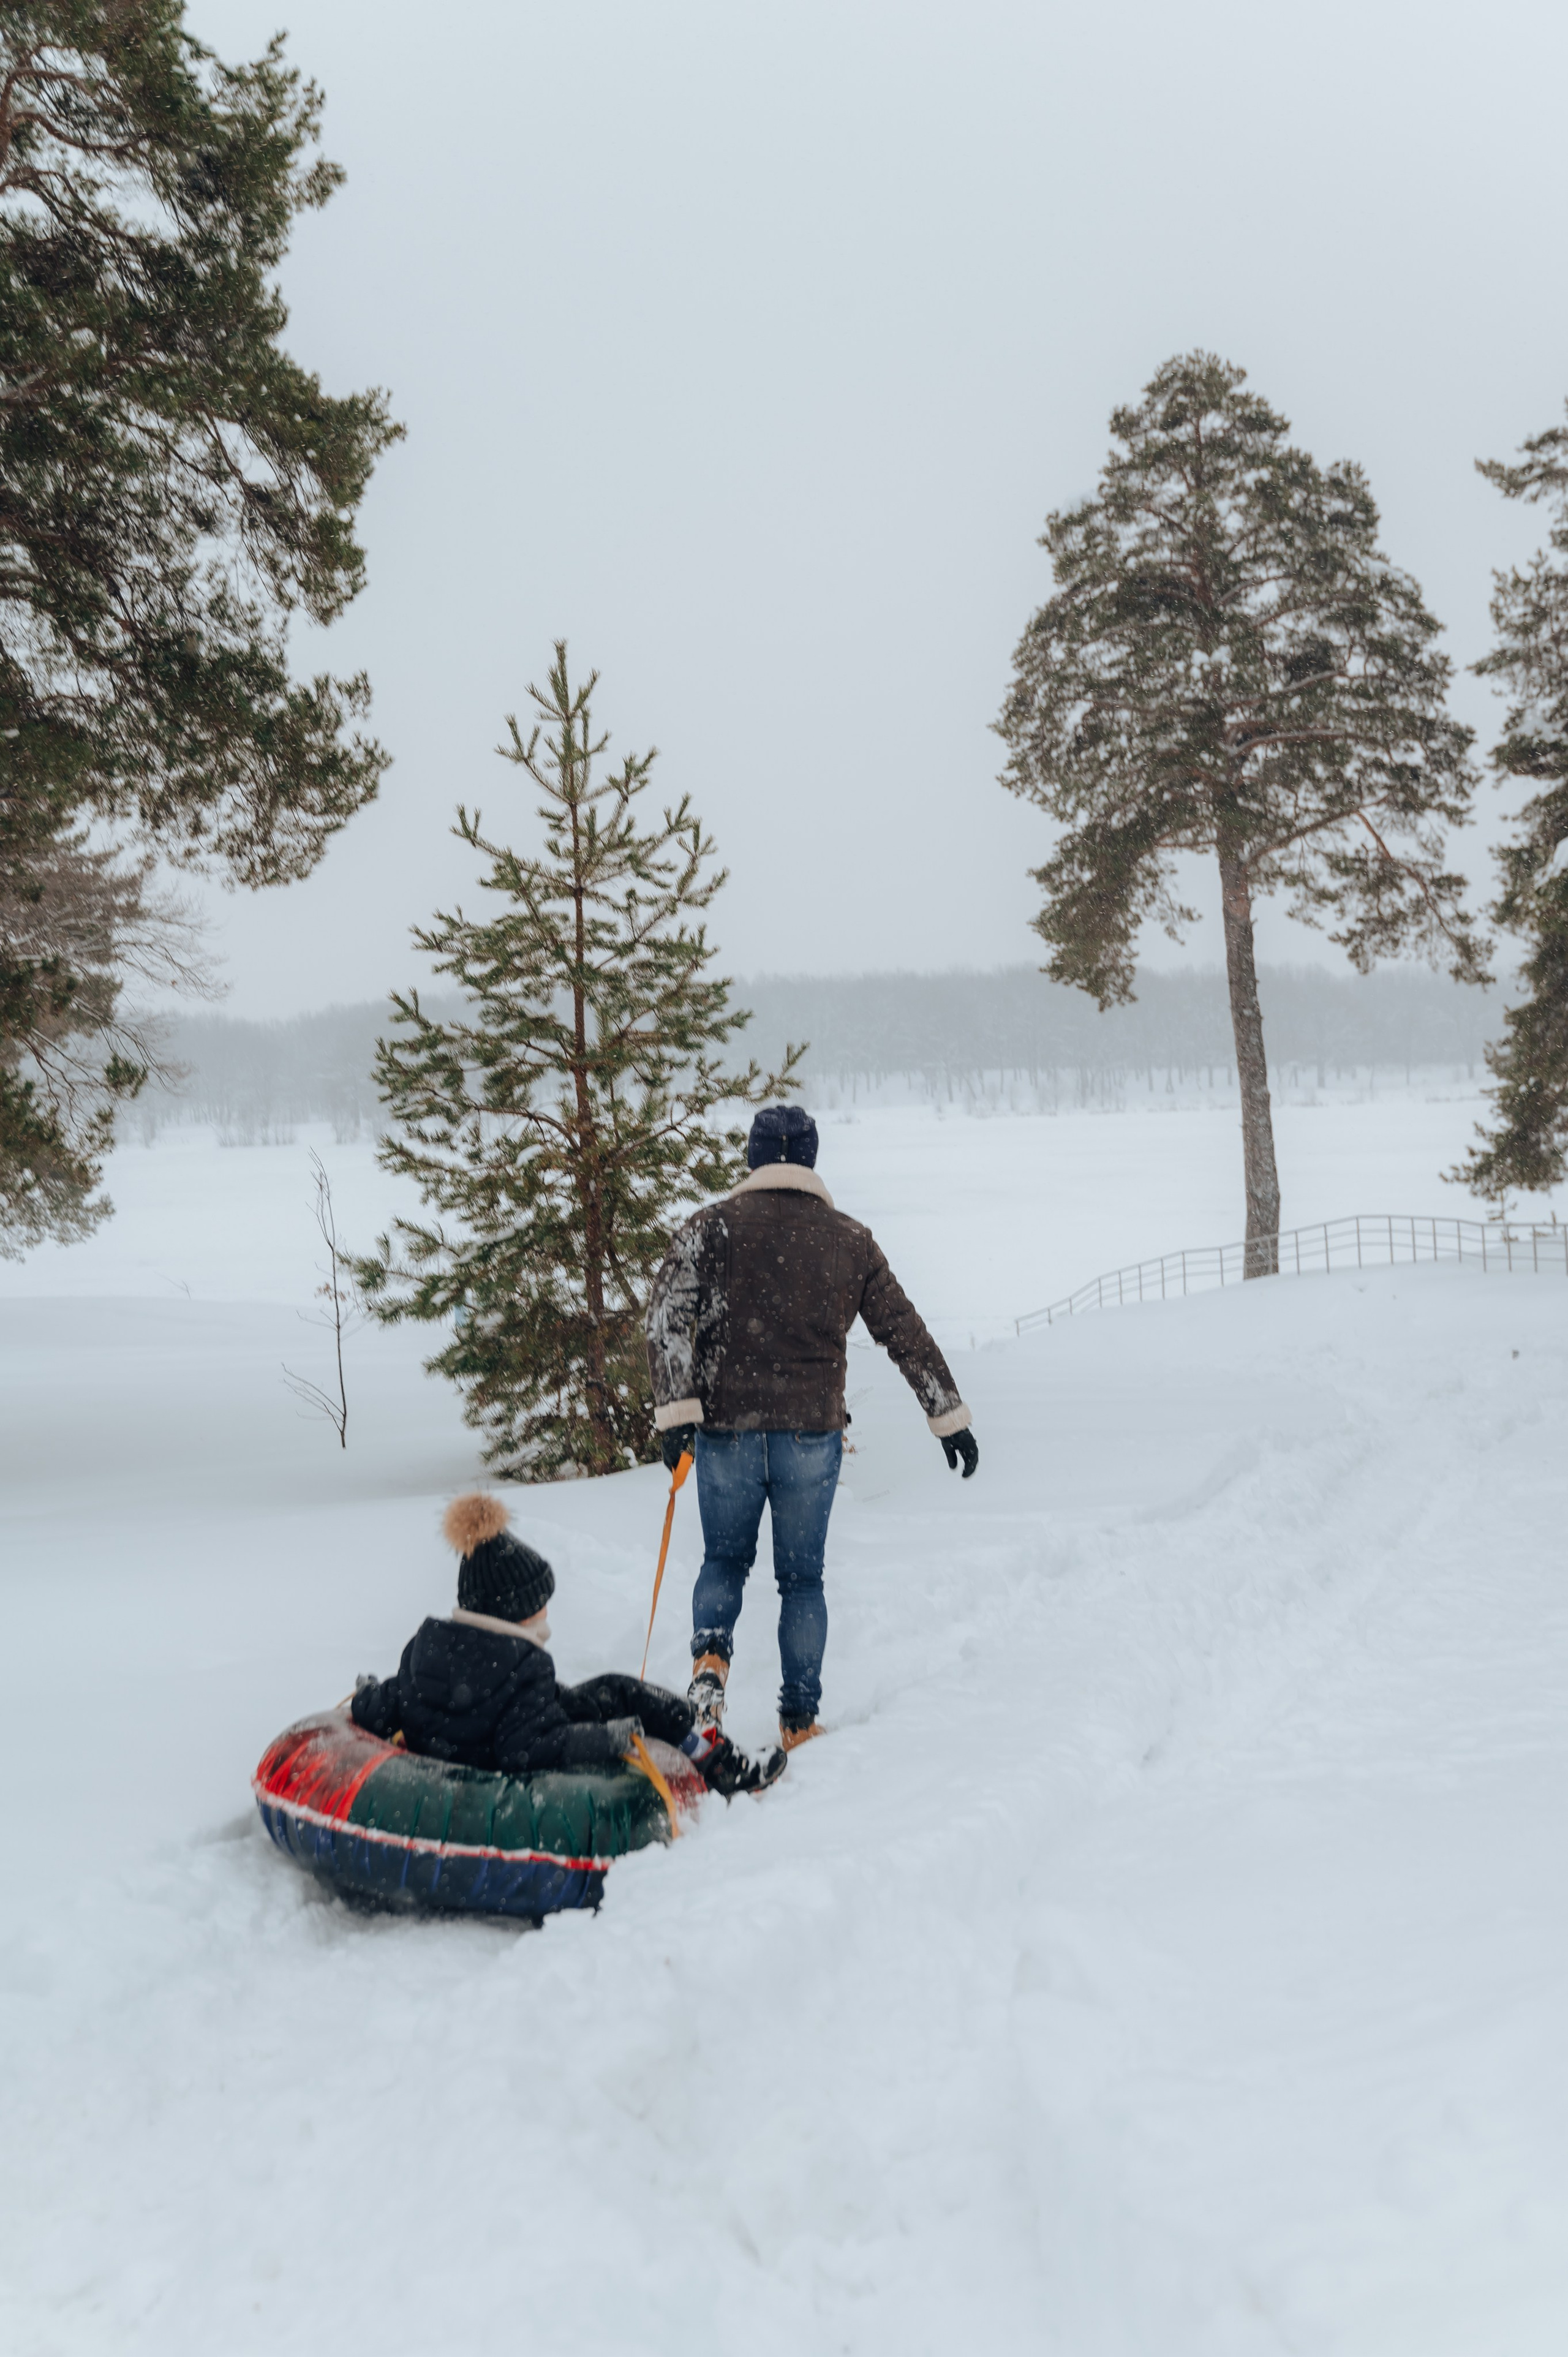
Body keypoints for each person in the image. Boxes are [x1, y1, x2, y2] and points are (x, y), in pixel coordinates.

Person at [645, 1103, 978, 1752]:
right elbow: (902, 1332)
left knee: (723, 1559)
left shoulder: (710, 1228)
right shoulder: (849, 1239)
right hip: (809, 1434)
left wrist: (677, 1414)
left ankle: (710, 1663)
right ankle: (798, 1720)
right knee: (802, 1580)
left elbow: (664, 1318)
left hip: (728, 1429)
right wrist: (947, 1416)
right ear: (813, 1160)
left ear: (752, 1157)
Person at [350, 1493, 785, 1797]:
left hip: (473, 1734)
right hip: (497, 1750)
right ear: (517, 1612)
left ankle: (698, 1741)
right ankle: (717, 1762)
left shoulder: (425, 1649)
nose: (545, 1614)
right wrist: (611, 1737)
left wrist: (367, 1692)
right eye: (540, 1605)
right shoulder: (522, 1666)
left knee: (609, 1689)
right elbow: (531, 1747)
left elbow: (379, 1705)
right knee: (625, 1697)